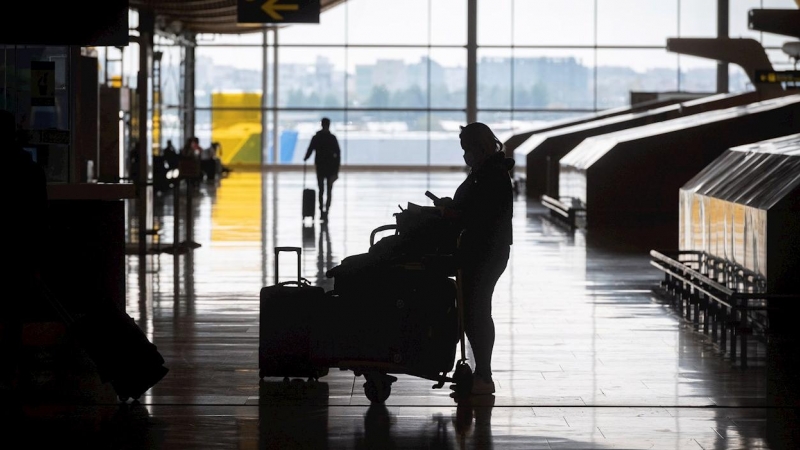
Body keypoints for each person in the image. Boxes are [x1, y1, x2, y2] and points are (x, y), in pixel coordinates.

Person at [434, 122, 514, 396]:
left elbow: (479, 217)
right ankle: (482, 373)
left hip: (485, 252)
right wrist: (453, 206)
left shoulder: (490, 175)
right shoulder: (488, 171)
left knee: (476, 312)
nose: (465, 156)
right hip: (485, 250)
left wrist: (450, 213)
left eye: (467, 150)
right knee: (475, 311)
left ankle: (485, 375)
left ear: (479, 147)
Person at [1, 109, 48, 417]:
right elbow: (39, 220)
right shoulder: (30, 170)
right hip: (18, 253)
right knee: (14, 314)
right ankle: (13, 371)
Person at [303, 118, 341, 221]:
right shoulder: (332, 138)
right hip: (330, 168)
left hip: (320, 167)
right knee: (328, 190)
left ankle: (321, 211)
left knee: (321, 190)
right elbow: (338, 154)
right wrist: (336, 170)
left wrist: (306, 157)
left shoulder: (317, 137)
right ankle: (326, 212)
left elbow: (310, 149)